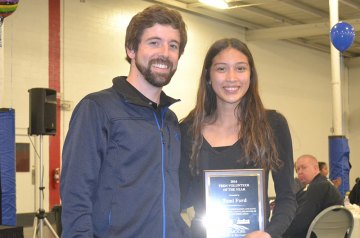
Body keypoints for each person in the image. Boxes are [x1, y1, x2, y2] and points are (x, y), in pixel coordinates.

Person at [60, 5, 190, 237]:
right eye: (154, 42)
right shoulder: (98, 109)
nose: (165, 52)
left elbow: (169, 201)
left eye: (173, 45)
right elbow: (75, 197)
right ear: (131, 49)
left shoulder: (169, 120)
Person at [179, 38, 296, 238]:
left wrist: (269, 234)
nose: (231, 78)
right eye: (221, 69)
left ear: (251, 75)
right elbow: (176, 201)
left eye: (240, 68)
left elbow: (287, 198)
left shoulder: (273, 125)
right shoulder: (188, 130)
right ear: (208, 75)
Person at [283, 154, 343, 238]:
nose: (299, 172)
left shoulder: (318, 186)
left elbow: (302, 220)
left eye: (303, 167)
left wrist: (280, 234)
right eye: (297, 169)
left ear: (315, 168)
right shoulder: (322, 184)